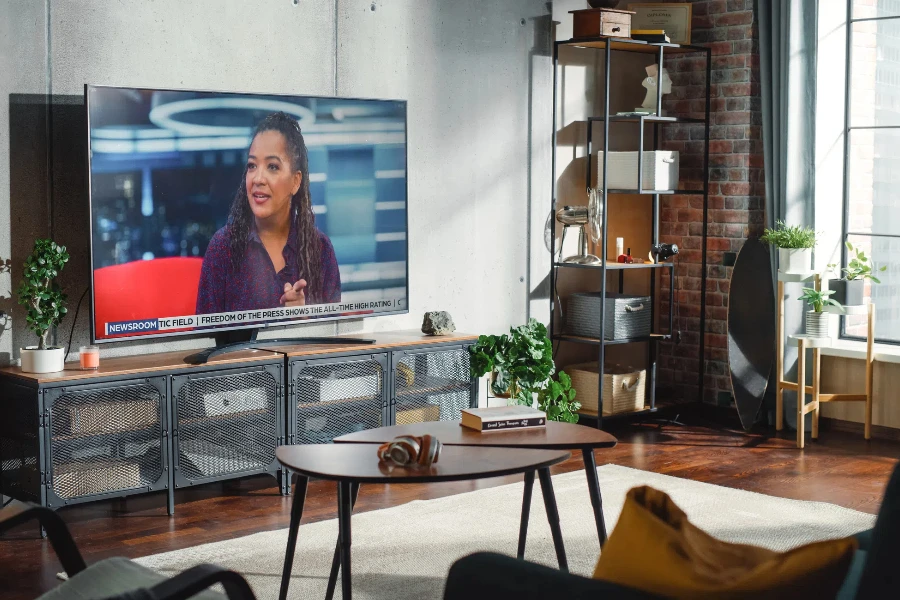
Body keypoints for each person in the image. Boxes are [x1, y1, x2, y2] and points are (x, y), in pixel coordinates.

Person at [196, 112, 341, 314]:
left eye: (272, 166)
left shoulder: (320, 250)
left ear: (295, 182)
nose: (258, 178)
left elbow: (333, 338)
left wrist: (303, 320)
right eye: (252, 166)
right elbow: (206, 339)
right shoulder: (223, 247)